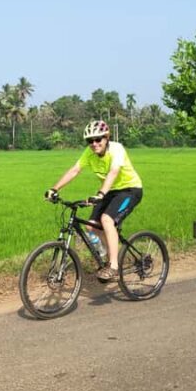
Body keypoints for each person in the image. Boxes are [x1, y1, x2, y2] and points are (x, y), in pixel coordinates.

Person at [44, 120, 143, 282]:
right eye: (90, 141)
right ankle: (111, 255)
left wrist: (100, 193)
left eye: (98, 139)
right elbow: (75, 170)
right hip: (110, 191)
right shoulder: (89, 153)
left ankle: (113, 266)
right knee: (91, 225)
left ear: (106, 137)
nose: (94, 144)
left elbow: (113, 172)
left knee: (106, 219)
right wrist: (54, 189)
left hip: (130, 190)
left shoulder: (116, 149)